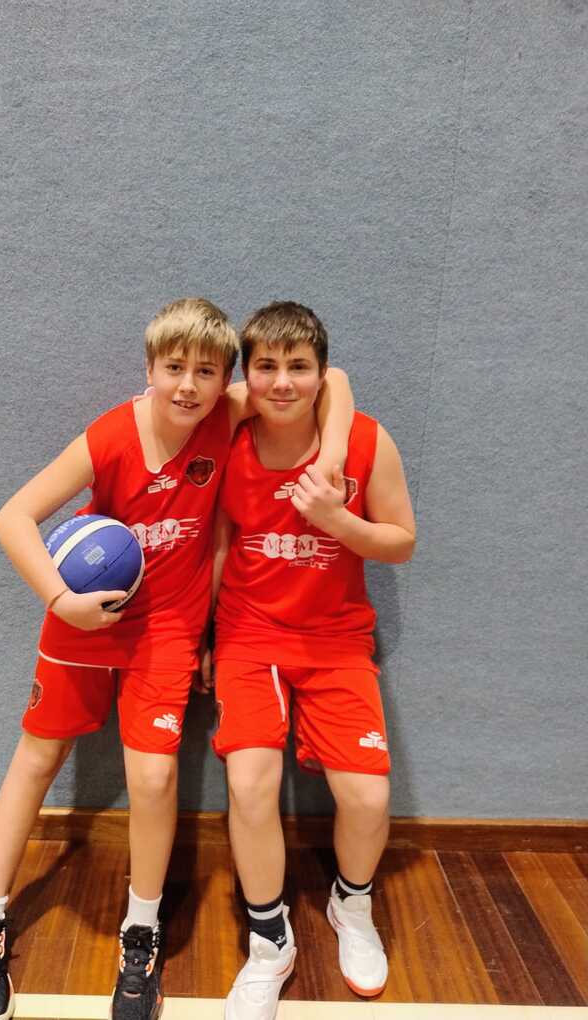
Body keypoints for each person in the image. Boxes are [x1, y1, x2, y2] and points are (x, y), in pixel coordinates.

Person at [0, 297, 355, 1020]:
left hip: (168, 628)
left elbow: (338, 381)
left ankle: (140, 929)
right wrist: (60, 599)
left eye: (206, 372)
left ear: (225, 381)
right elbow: (12, 517)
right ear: (149, 369)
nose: (188, 385)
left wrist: (329, 460)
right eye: (174, 367)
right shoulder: (113, 434)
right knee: (38, 756)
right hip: (88, 616)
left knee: (153, 775)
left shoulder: (224, 415)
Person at [210, 301, 416, 1018]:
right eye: (267, 366)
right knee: (250, 786)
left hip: (335, 639)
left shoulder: (366, 441)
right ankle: (270, 941)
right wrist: (206, 636)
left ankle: (350, 905)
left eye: (299, 366)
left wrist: (336, 518)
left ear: (321, 374)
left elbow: (402, 541)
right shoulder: (229, 436)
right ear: (248, 376)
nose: (283, 381)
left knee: (367, 798)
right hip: (249, 634)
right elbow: (221, 542)